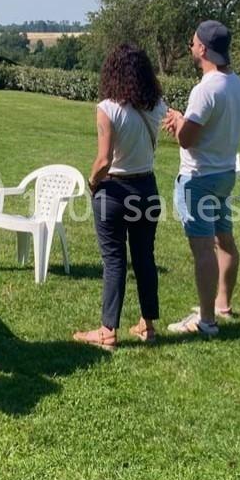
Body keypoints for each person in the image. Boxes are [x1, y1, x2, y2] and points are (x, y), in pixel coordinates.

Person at [73, 44, 166, 350]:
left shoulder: (107, 108)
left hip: (114, 190)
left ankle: (107, 331)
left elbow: (104, 161)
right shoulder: (158, 105)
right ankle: (147, 326)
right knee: (144, 258)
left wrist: (91, 182)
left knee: (114, 261)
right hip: (147, 188)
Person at [161, 20, 240, 337]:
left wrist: (178, 120)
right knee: (224, 240)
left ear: (204, 48)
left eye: (193, 42)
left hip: (199, 178)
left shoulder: (205, 89)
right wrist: (184, 122)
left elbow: (187, 140)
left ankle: (207, 321)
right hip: (225, 174)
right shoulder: (237, 84)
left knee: (203, 250)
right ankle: (222, 305)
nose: (190, 46)